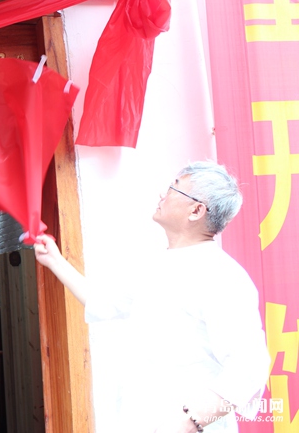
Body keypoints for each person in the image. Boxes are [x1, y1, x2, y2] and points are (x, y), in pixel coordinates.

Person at [34, 161, 270, 432]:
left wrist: (188, 422)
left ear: (196, 210)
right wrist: (54, 260)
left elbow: (248, 367)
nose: (162, 194)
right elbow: (104, 303)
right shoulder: (155, 265)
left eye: (173, 188)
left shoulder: (223, 275)